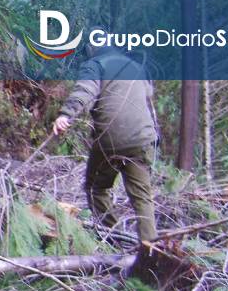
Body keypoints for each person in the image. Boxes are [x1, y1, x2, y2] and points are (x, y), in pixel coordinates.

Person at [53, 35, 159, 243]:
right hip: (143, 139)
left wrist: (66, 114)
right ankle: (150, 249)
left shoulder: (95, 64)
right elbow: (148, 93)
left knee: (96, 188)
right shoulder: (137, 66)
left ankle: (112, 238)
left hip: (111, 139)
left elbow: (85, 91)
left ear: (92, 48)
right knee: (142, 197)